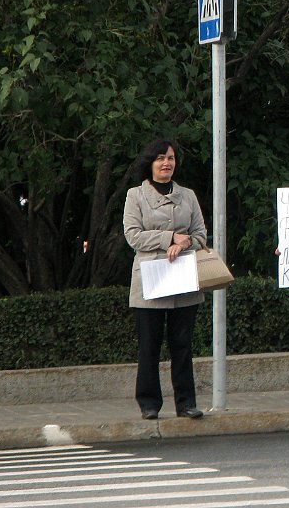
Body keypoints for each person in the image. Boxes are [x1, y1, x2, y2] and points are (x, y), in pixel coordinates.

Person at [123, 138, 207, 420]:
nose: (166, 163)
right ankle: (148, 403)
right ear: (150, 163)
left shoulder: (189, 196)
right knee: (149, 345)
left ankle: (186, 403)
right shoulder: (136, 196)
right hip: (151, 279)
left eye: (170, 158)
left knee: (182, 345)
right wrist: (168, 237)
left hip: (183, 278)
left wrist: (184, 244)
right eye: (160, 158)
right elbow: (133, 235)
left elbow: (200, 235)